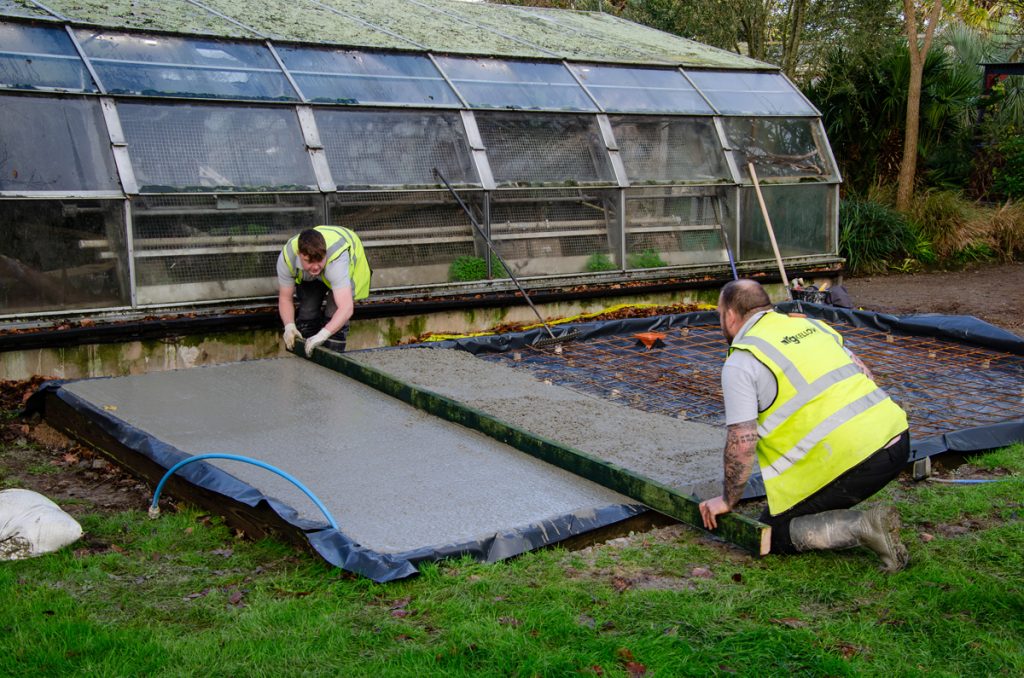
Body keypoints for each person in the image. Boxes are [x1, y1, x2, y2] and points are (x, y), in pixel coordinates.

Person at [698, 279, 911, 572]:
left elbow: (742, 440)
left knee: (770, 533)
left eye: (720, 315)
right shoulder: (812, 326)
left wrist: (727, 500)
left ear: (731, 316)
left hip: (859, 462)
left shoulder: (742, 360)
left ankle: (864, 527)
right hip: (898, 441)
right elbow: (866, 376)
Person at [277, 226, 371, 357]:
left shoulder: (337, 260)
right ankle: (307, 361)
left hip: (343, 269)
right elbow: (285, 298)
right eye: (309, 261)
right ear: (299, 254)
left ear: (325, 253)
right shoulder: (287, 257)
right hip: (312, 275)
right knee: (307, 314)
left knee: (334, 316)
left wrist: (324, 334)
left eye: (319, 260)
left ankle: (333, 360)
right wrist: (289, 326)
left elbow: (346, 308)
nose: (315, 267)